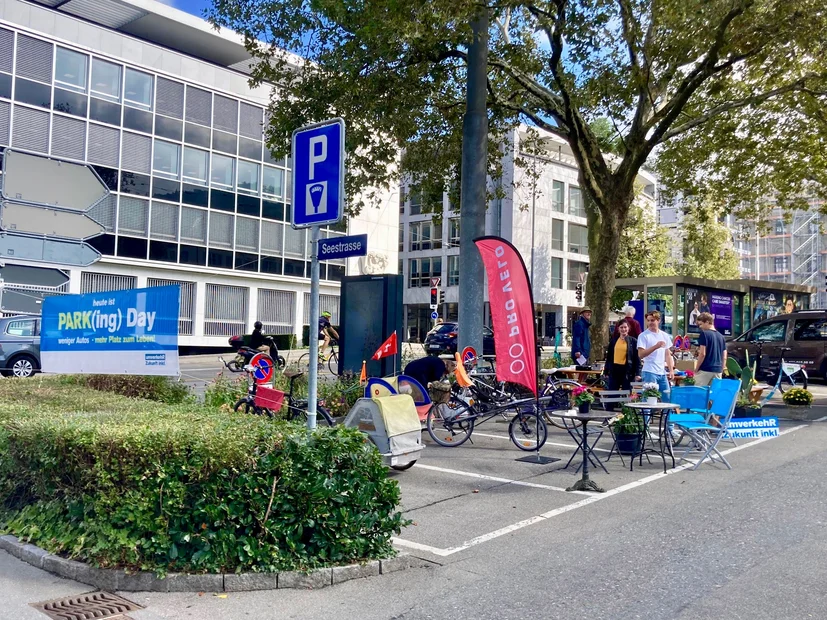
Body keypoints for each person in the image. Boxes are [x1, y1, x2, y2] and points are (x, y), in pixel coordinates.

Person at [637, 310, 674, 399]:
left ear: (658, 320)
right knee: (649, 398)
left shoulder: (665, 335)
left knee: (667, 397)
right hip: (649, 371)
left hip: (662, 372)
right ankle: (646, 413)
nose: (650, 323)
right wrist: (656, 346)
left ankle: (666, 413)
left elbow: (667, 354)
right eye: (648, 320)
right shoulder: (643, 335)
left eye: (652, 320)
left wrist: (671, 370)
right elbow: (641, 354)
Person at [604, 321, 641, 398]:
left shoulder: (633, 341)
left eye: (625, 327)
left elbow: (637, 359)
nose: (623, 329)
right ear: (618, 329)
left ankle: (627, 409)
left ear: (628, 328)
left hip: (627, 370)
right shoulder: (614, 341)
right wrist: (606, 371)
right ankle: (610, 408)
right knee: (612, 392)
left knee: (627, 392)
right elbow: (609, 357)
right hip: (615, 369)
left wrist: (638, 373)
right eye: (621, 327)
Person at [694, 312, 727, 386]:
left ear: (708, 322)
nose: (700, 327)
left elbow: (702, 354)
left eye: (701, 324)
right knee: (714, 396)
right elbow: (724, 357)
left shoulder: (704, 334)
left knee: (699, 394)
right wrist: (721, 370)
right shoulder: (721, 337)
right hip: (718, 370)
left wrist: (696, 369)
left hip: (705, 369)